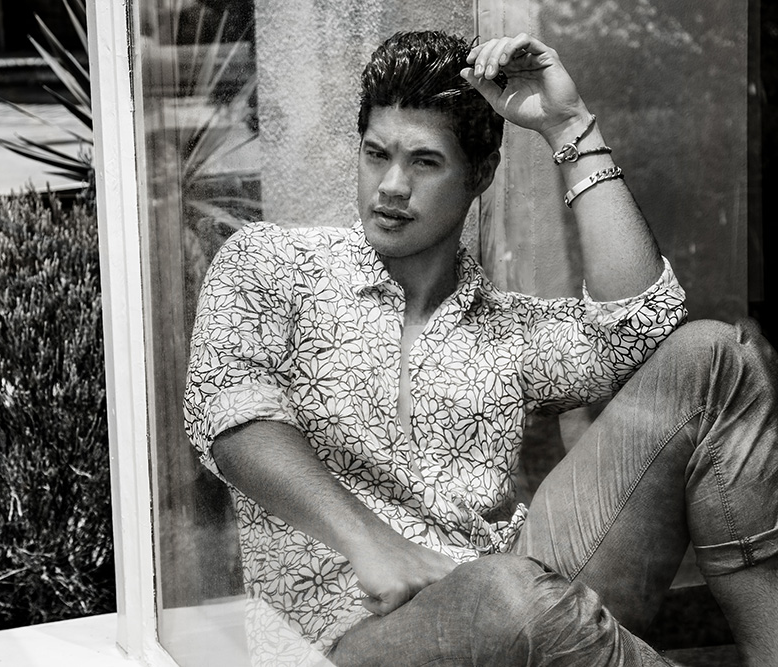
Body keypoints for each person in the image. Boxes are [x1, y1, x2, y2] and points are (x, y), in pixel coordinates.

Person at [184, 31, 778, 666]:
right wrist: (375, 545)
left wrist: (568, 125)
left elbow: (642, 321)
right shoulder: (270, 263)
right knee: (507, 596)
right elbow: (230, 418)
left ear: (481, 174)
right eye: (376, 154)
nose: (391, 185)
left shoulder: (507, 330)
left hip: (509, 598)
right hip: (340, 636)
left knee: (718, 358)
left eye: (425, 162)